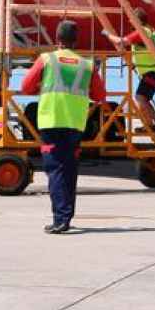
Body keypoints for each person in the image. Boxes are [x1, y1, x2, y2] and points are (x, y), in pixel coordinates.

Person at [17, 20, 105, 233]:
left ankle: (60, 219)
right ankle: (66, 215)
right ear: (75, 40)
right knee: (69, 170)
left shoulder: (46, 59)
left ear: (57, 39)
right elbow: (100, 95)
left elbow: (25, 87)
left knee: (55, 170)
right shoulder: (87, 65)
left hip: (52, 121)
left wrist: (42, 86)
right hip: (75, 124)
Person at [108, 8, 155, 136]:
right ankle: (150, 125)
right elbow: (143, 50)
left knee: (140, 97)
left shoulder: (142, 32)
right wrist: (135, 64)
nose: (130, 22)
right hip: (153, 70)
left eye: (131, 20)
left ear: (137, 20)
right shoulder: (148, 31)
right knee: (144, 98)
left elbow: (121, 41)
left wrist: (107, 34)